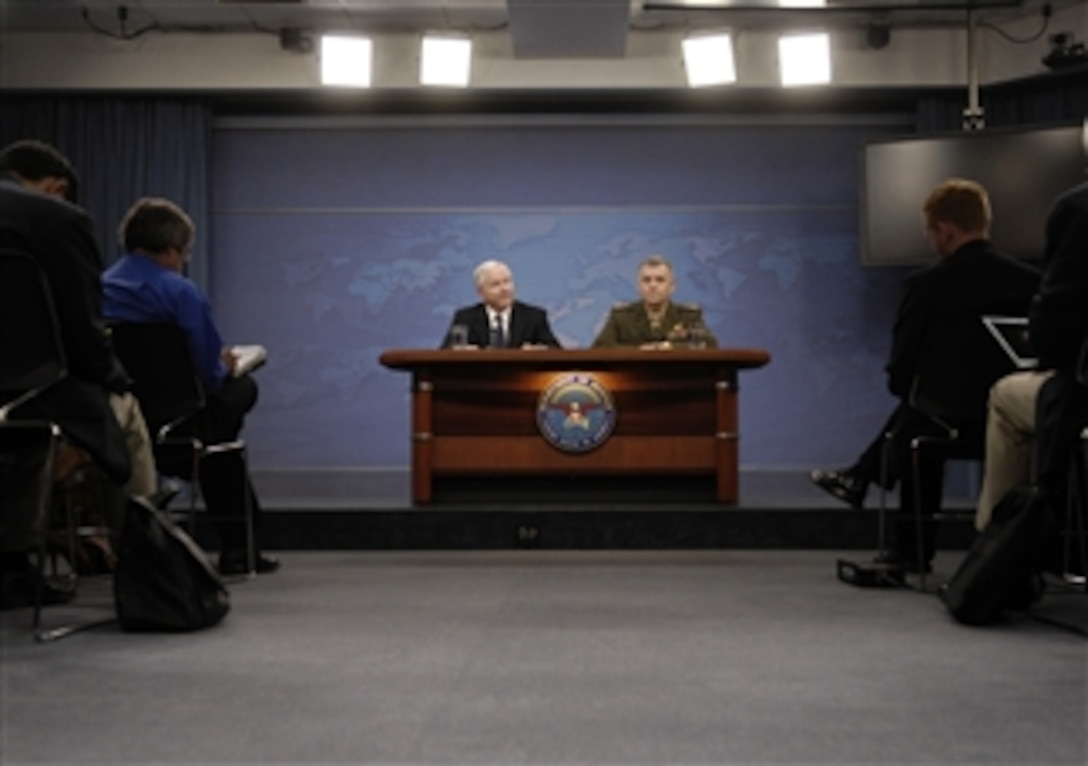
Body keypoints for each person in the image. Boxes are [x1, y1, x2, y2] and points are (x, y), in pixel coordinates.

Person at [809, 178, 1041, 570]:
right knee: (919, 415)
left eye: (930, 233)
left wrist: (906, 389)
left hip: (946, 417)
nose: (931, 242)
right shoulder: (1032, 281)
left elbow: (904, 360)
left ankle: (908, 550)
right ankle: (861, 477)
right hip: (1020, 419)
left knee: (918, 421)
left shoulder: (927, 284)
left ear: (945, 230)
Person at [0, 139, 159, 608]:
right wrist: (112, 378)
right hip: (29, 390)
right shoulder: (57, 219)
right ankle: (144, 559)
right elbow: (82, 329)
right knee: (120, 412)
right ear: (57, 188)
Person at [102, 197, 279, 576]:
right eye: (184, 254)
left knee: (217, 436)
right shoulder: (180, 292)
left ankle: (208, 460)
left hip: (115, 424)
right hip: (177, 422)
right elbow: (210, 376)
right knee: (238, 396)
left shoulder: (98, 289)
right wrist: (227, 364)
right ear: (170, 251)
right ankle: (238, 545)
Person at [974, 178, 1088, 531]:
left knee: (1004, 397)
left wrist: (1043, 349)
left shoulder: (1078, 208)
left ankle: (995, 553)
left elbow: (1060, 311)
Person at [591, 255, 717, 349]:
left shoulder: (689, 316)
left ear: (672, 286)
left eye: (660, 280)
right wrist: (641, 350)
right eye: (646, 280)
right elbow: (601, 348)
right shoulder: (621, 317)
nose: (653, 285)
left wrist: (666, 347)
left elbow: (707, 344)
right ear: (639, 286)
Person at [440, 260, 561, 349]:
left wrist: (538, 350)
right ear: (481, 292)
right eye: (495, 284)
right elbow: (445, 353)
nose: (504, 289)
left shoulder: (533, 317)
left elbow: (556, 352)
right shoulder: (465, 318)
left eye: (507, 282)